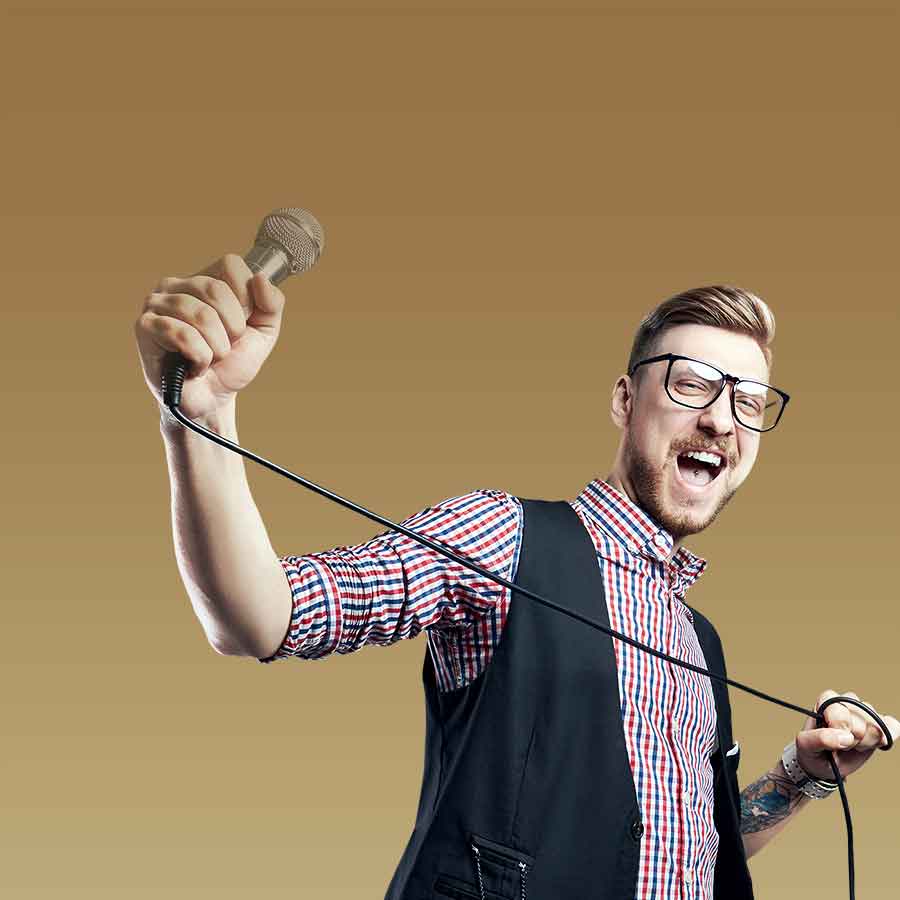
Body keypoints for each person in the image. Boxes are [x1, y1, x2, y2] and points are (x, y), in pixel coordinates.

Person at [135, 257, 897, 900]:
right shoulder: (503, 537)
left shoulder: (700, 641)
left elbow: (692, 849)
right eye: (691, 384)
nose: (722, 420)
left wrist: (804, 775)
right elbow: (262, 615)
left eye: (749, 401)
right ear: (625, 400)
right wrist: (201, 416)